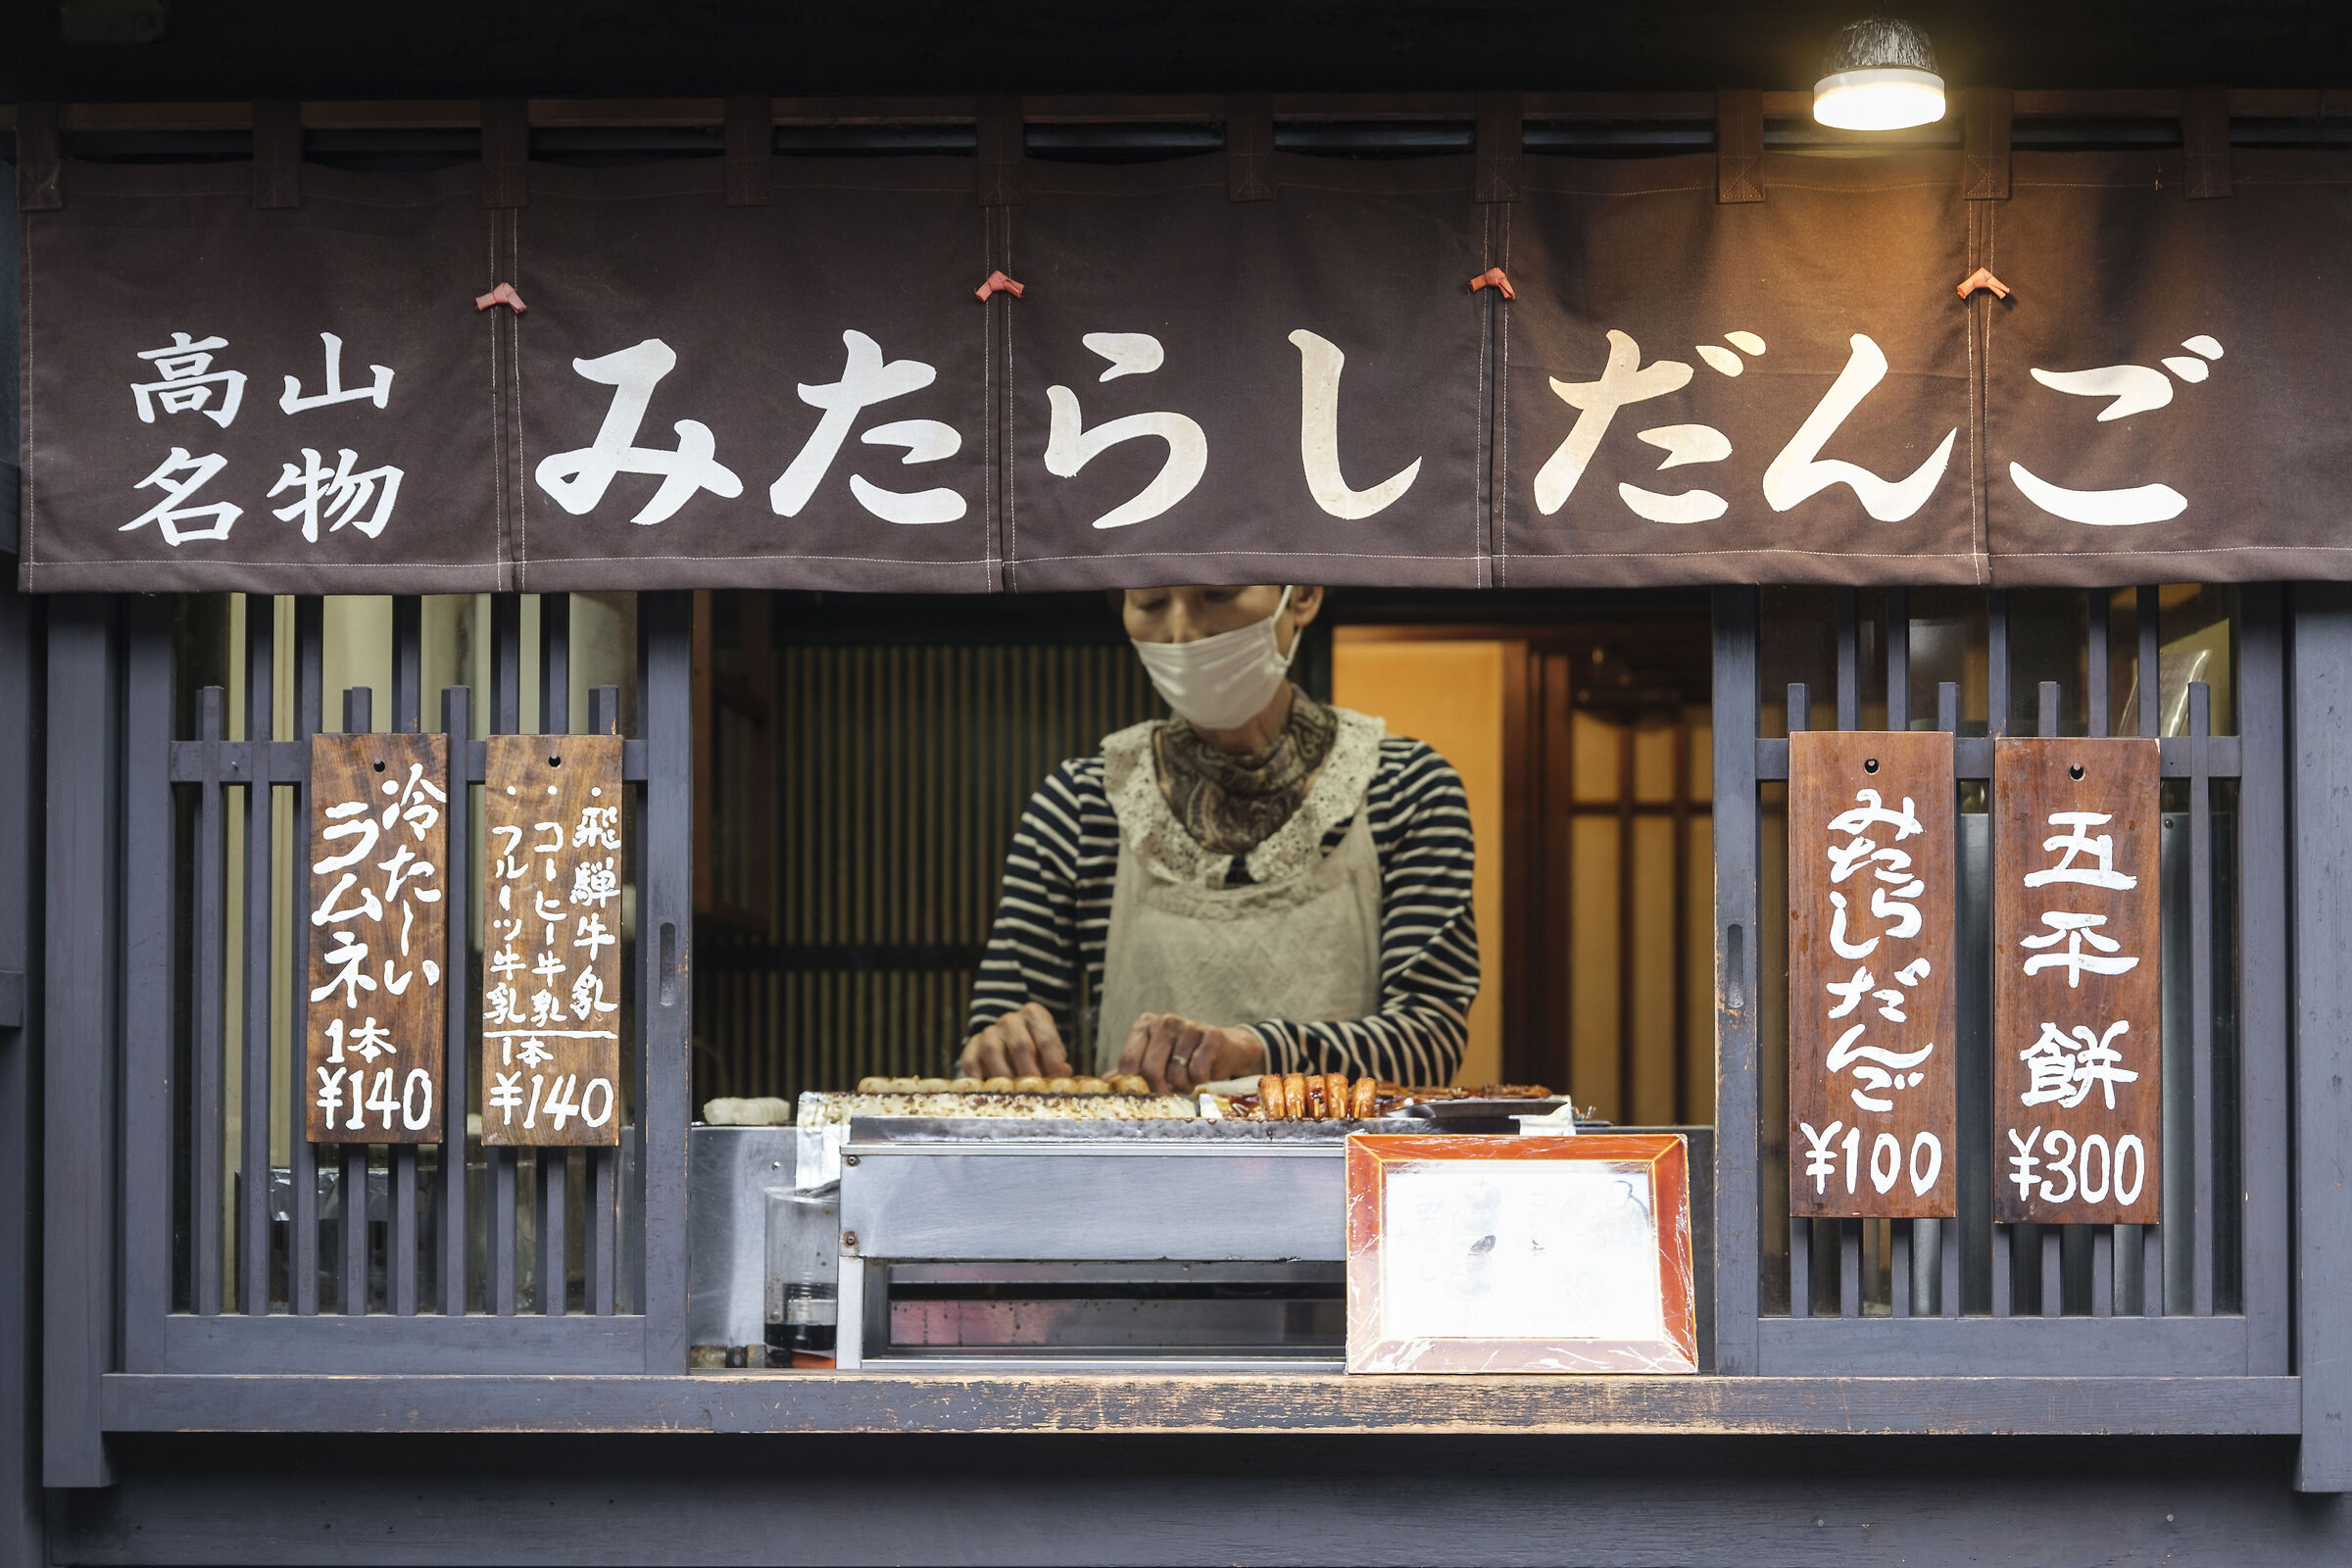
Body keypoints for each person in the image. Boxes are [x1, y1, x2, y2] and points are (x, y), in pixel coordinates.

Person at [960, 584, 1480, 1095]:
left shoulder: (1407, 789)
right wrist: (1001, 1044)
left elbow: (1428, 1044)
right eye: (1150, 603)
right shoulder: (1079, 806)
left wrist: (1250, 1051)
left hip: (1342, 1177)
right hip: (1135, 1177)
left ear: (1302, 595)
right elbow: (1004, 1036)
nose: (1182, 631)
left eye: (1218, 593)